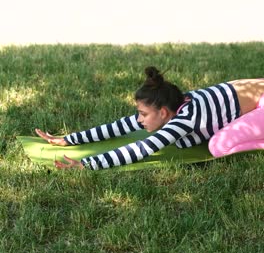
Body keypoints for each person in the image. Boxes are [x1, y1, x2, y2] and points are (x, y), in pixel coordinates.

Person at [35, 67, 264, 170]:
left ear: (163, 113)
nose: (140, 120)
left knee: (218, 145)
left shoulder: (183, 120)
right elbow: (121, 126)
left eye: (143, 115)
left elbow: (141, 148)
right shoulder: (171, 104)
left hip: (260, 99)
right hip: (250, 89)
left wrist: (86, 164)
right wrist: (69, 140)